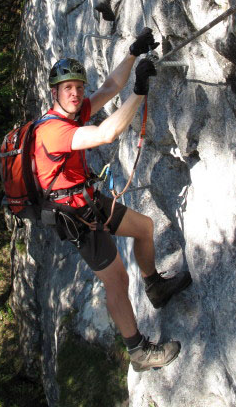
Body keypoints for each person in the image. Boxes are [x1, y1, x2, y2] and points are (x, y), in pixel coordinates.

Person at [33, 28, 192, 372]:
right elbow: (108, 132)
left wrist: (133, 52)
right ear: (55, 93)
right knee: (117, 279)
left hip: (88, 200)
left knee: (144, 228)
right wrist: (140, 90)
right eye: (67, 89)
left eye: (77, 87)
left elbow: (108, 88)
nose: (75, 94)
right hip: (74, 217)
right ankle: (138, 351)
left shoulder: (71, 112)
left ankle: (156, 287)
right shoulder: (54, 129)